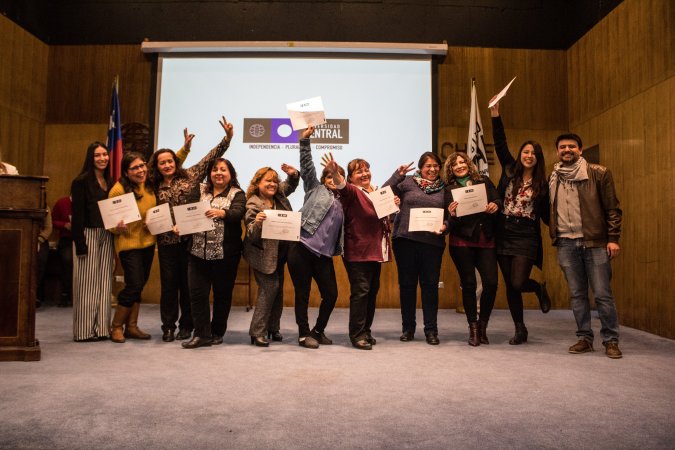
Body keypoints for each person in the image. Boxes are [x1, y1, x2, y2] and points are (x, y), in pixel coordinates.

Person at [149, 117, 233, 343]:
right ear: (156, 166)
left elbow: (210, 158)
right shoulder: (152, 185)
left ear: (175, 162)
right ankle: (168, 327)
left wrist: (227, 138)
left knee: (188, 287)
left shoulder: (191, 175)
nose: (167, 165)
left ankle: (187, 325)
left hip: (189, 240)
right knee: (168, 287)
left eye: (170, 161)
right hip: (166, 243)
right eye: (162, 163)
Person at [549, 133, 623, 358]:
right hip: (566, 243)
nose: (567, 150)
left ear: (580, 150)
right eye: (563, 147)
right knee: (577, 295)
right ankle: (584, 337)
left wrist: (613, 238)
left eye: (572, 146)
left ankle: (611, 340)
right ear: (558, 151)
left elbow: (613, 209)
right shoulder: (553, 177)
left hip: (595, 242)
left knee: (602, 294)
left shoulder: (599, 173)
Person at [489, 100, 551, 345]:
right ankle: (520, 329)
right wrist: (495, 114)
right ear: (520, 154)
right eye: (526, 152)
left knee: (518, 281)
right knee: (511, 286)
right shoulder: (509, 169)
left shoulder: (544, 184)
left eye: (533, 154)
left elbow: (547, 213)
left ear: (538, 158)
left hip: (526, 234)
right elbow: (500, 142)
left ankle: (537, 288)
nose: (529, 156)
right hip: (503, 230)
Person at [324, 157, 393, 350]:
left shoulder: (375, 192)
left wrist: (392, 206)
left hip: (375, 250)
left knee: (371, 292)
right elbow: (341, 186)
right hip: (357, 250)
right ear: (352, 178)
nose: (365, 174)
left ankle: (366, 331)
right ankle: (356, 334)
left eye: (367, 170)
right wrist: (335, 173)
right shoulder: (352, 192)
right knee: (361, 292)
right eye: (359, 172)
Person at [287, 126, 344, 349]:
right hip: (301, 248)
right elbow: (307, 167)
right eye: (328, 175)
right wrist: (304, 141)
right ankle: (303, 334)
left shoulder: (346, 199)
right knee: (302, 294)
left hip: (324, 255)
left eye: (336, 176)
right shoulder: (315, 188)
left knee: (331, 294)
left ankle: (318, 331)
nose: (332, 178)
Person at [383, 152, 449, 345]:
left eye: (436, 165)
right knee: (407, 286)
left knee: (430, 287)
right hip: (405, 241)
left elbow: (451, 213)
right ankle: (408, 328)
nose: (432, 169)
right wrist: (398, 174)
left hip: (432, 244)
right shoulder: (408, 182)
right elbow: (384, 192)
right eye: (428, 165)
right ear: (421, 168)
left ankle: (431, 330)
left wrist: (446, 225)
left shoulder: (445, 188)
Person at [181, 157, 245, 349]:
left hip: (225, 256)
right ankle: (201, 334)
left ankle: (217, 332)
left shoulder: (237, 193)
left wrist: (222, 213)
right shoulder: (200, 191)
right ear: (210, 173)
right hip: (197, 253)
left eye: (223, 169)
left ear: (230, 174)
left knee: (222, 295)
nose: (218, 172)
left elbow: (238, 213)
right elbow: (188, 212)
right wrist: (180, 225)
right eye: (215, 169)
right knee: (197, 294)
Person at [443, 152, 501, 346]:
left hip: (485, 239)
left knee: (491, 283)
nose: (459, 166)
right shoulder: (448, 189)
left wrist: (494, 205)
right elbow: (447, 218)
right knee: (468, 285)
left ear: (468, 164)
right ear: (450, 169)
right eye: (454, 164)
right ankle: (473, 328)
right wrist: (451, 214)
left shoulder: (483, 181)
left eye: (462, 162)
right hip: (461, 241)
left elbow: (498, 200)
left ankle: (483, 325)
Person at [243, 165, 299, 347]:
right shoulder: (253, 202)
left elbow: (291, 184)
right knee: (270, 287)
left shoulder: (279, 194)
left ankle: (273, 328)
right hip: (261, 253)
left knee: (278, 290)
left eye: (275, 181)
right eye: (268, 180)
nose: (273, 184)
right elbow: (251, 233)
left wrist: (293, 175)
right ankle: (257, 332)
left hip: (281, 252)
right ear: (258, 183)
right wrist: (258, 222)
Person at [108, 151, 156, 343]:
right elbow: (110, 223)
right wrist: (117, 227)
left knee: (139, 285)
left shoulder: (149, 185)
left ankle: (132, 327)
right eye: (135, 167)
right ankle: (117, 326)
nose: (141, 170)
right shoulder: (118, 190)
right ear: (126, 172)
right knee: (134, 284)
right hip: (129, 245)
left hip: (148, 243)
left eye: (142, 165)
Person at [70, 142, 115, 341]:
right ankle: (84, 331)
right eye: (98, 155)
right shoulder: (80, 181)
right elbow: (77, 215)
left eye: (105, 154)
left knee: (105, 283)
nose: (102, 158)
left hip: (107, 235)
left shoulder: (110, 181)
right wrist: (79, 243)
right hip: (86, 235)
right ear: (91, 157)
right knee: (87, 285)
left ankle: (102, 328)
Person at [51, 196, 73, 307]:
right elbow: (52, 221)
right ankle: (66, 293)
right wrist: (64, 225)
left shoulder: (88, 202)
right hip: (67, 239)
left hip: (85, 238)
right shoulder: (62, 203)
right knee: (67, 260)